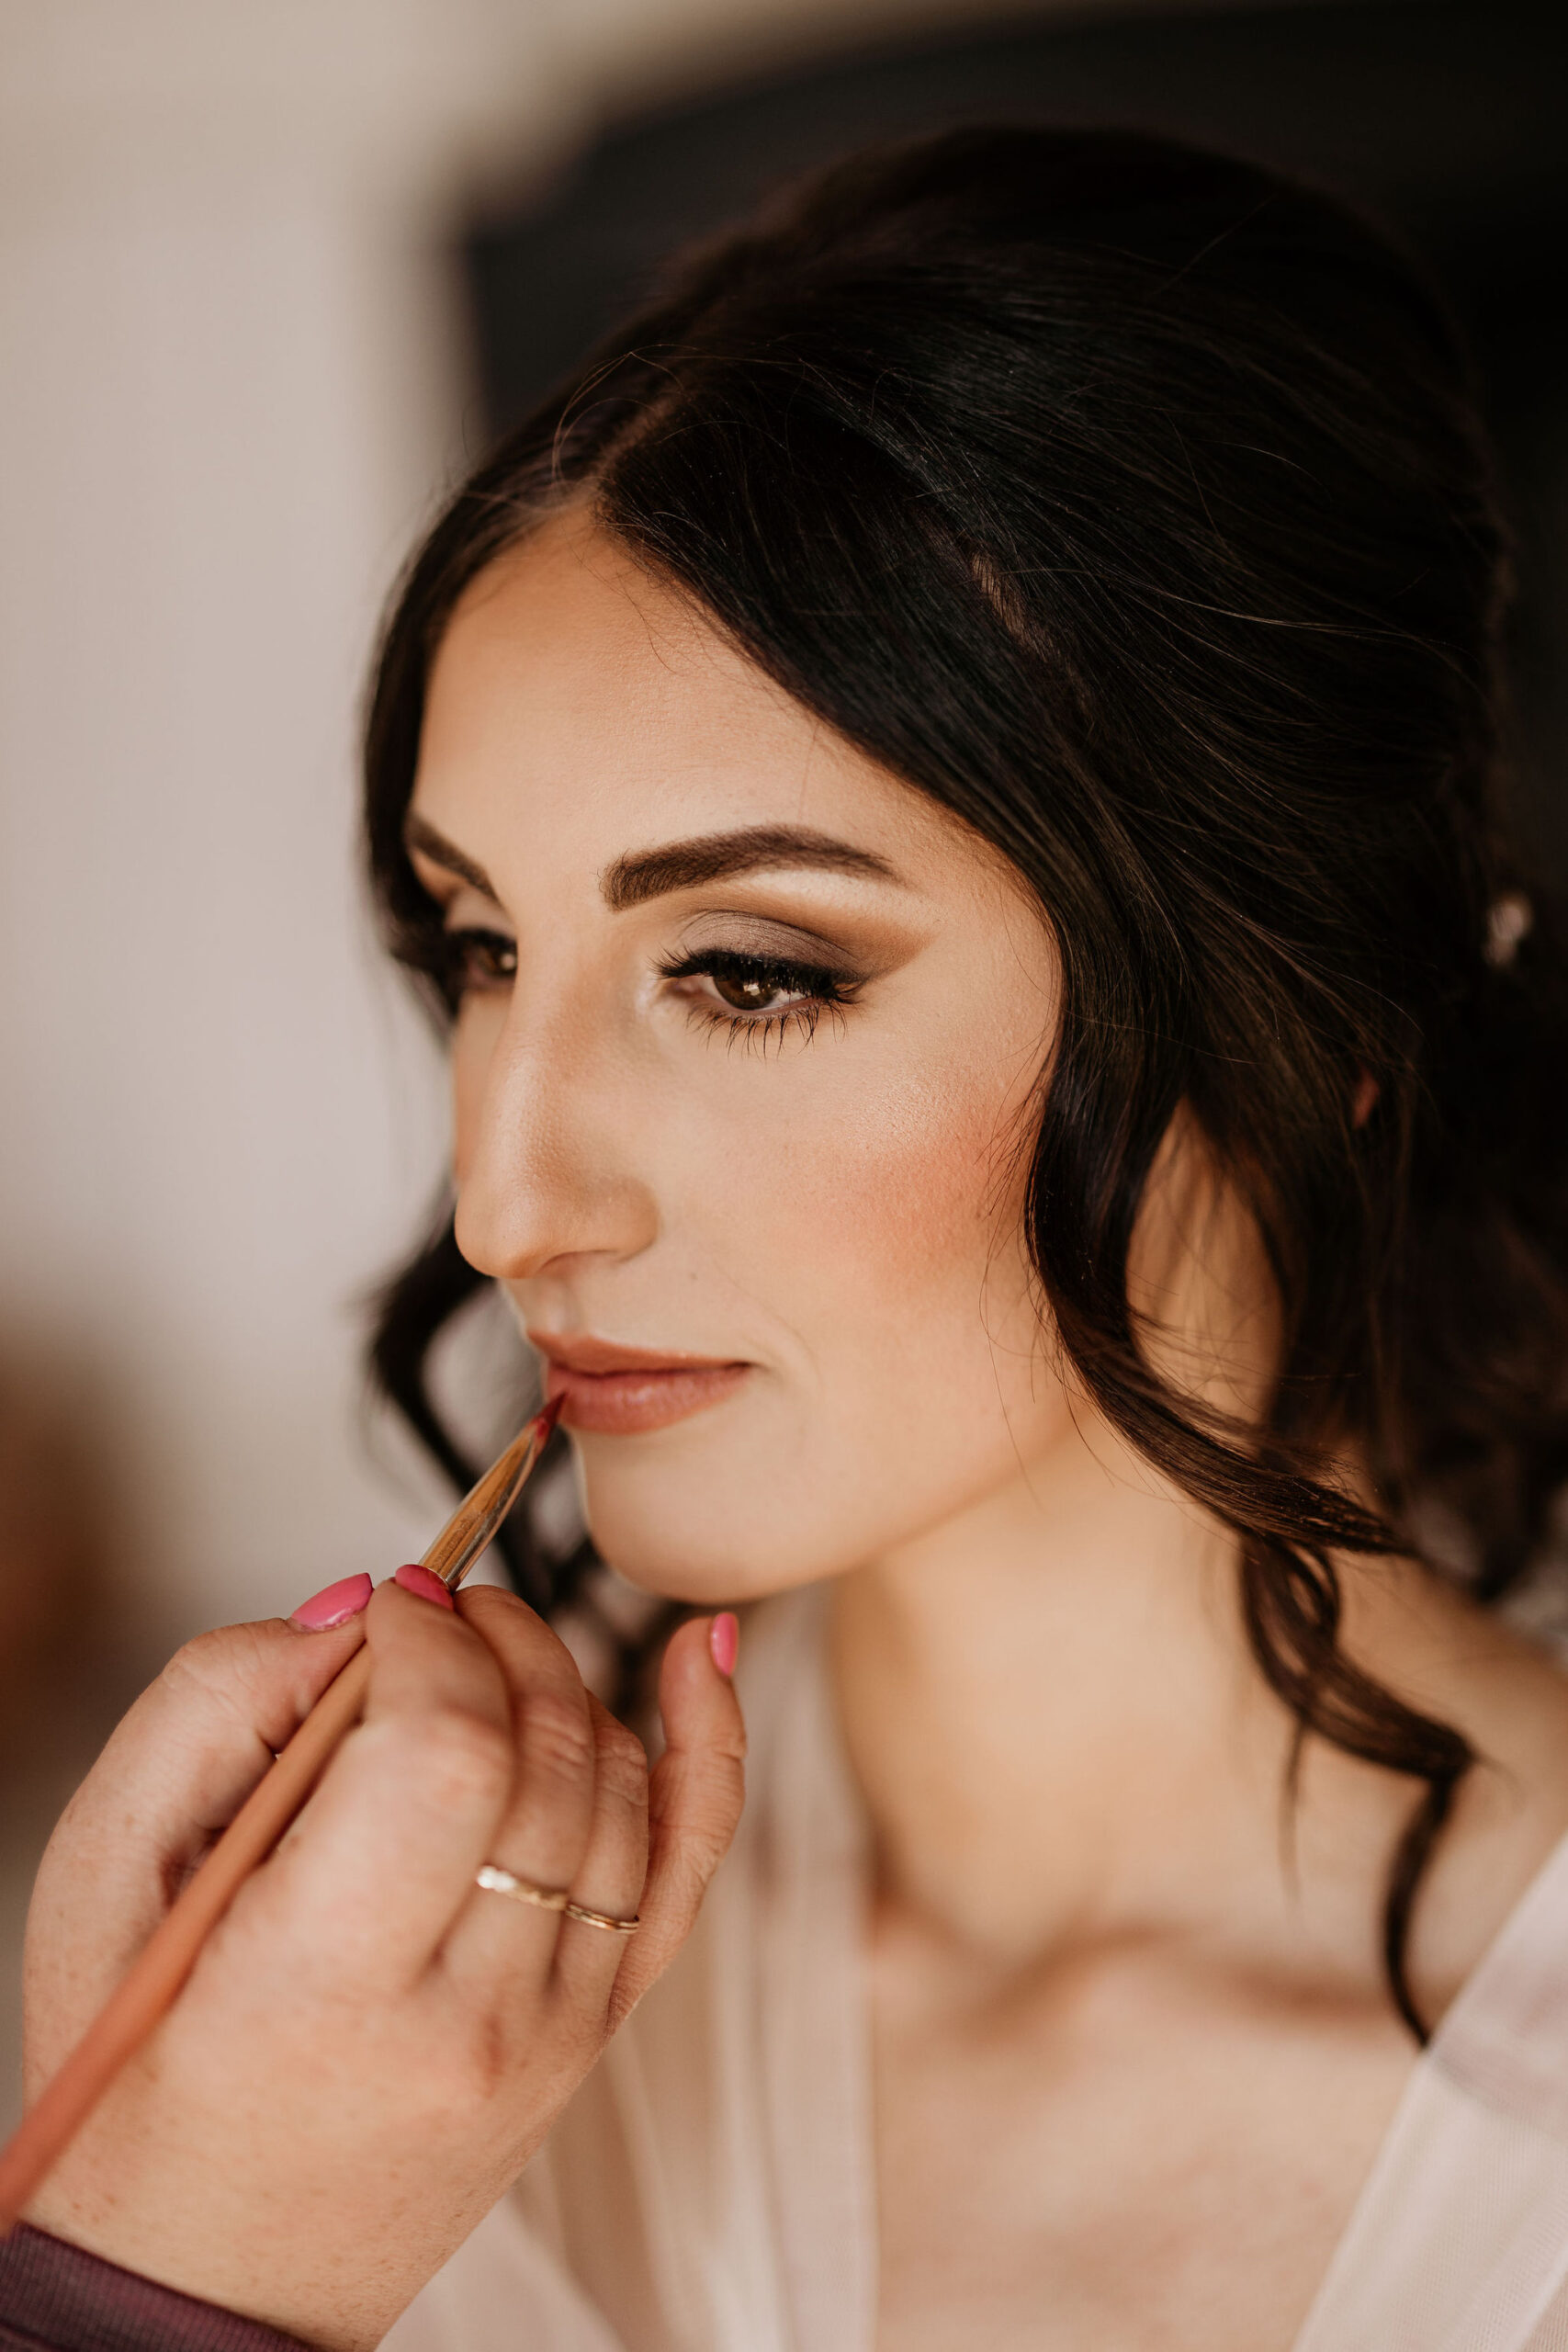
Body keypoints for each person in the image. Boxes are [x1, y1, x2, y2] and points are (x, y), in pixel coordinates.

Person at [6, 122, 1568, 2352]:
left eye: (750, 971)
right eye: (475, 944)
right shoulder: (333, 2047)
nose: (503, 1200)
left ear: (1301, 1006)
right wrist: (159, 2260)